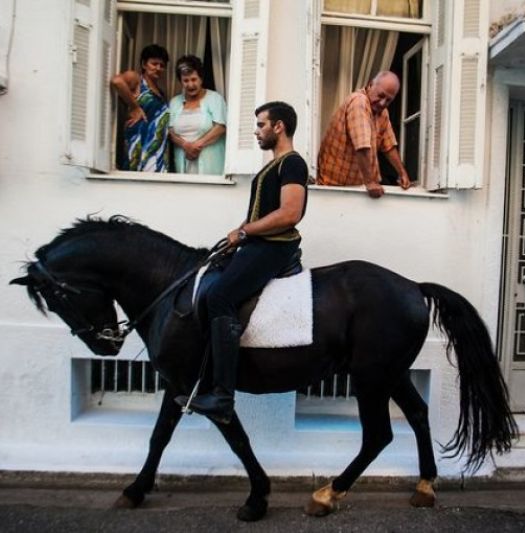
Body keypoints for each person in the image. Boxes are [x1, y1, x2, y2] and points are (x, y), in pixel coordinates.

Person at [177, 101, 309, 424]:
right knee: (210, 286)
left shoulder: (293, 164)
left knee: (221, 296)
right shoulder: (271, 167)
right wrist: (239, 238)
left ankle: (223, 396)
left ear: (279, 127)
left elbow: (290, 214)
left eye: (261, 125)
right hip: (257, 245)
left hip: (275, 248)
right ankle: (205, 382)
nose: (257, 131)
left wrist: (245, 231)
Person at [316, 71, 412, 198]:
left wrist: (402, 173)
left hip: (355, 189)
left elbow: (389, 145)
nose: (383, 103)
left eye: (388, 100)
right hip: (332, 189)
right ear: (371, 85)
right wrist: (370, 182)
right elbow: (362, 146)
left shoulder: (382, 112)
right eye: (381, 95)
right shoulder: (359, 102)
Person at [111, 44, 170, 172]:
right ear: (144, 64)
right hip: (139, 145)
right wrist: (135, 107)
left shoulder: (161, 93)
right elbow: (116, 81)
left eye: (162, 65)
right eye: (154, 64)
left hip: (158, 153)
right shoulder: (136, 80)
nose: (158, 68)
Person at [168, 55, 227, 175]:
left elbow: (220, 127)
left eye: (194, 79)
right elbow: (170, 131)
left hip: (211, 166)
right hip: (183, 166)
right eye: (186, 80)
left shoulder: (215, 98)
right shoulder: (175, 102)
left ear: (201, 78)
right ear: (181, 81)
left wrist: (196, 145)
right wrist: (185, 145)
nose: (190, 85)